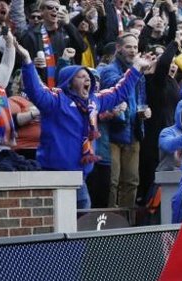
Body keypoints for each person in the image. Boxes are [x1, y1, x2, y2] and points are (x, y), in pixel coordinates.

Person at [16, 40, 151, 210]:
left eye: (88, 77)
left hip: (80, 179)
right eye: (81, 77)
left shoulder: (95, 101)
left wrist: (137, 68)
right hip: (54, 176)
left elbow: (119, 92)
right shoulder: (56, 101)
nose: (87, 79)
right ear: (69, 82)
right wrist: (28, 61)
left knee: (82, 225)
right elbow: (35, 90)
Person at [99, 33, 149, 212]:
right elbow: (116, 87)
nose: (133, 51)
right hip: (113, 132)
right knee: (113, 181)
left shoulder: (139, 72)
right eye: (129, 47)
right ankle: (110, 221)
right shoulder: (109, 70)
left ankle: (127, 222)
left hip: (134, 131)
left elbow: (140, 98)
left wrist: (144, 111)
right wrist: (134, 70)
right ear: (118, 48)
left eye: (135, 47)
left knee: (131, 181)